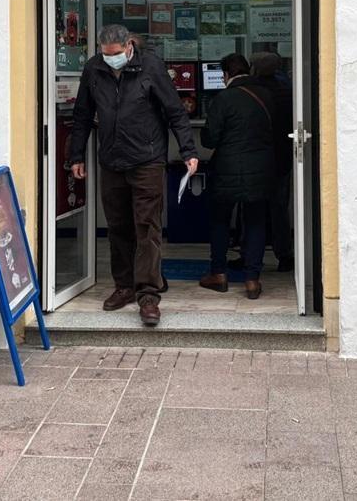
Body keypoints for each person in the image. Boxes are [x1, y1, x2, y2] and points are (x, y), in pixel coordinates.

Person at [69, 24, 198, 327]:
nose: (110, 59)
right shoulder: (94, 69)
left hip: (147, 160)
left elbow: (175, 111)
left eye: (115, 54)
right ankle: (124, 286)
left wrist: (188, 150)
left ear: (128, 46)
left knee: (147, 227)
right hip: (112, 161)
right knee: (118, 228)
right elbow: (82, 115)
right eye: (104, 54)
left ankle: (149, 295)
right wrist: (75, 155)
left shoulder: (150, 66)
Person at [199, 53, 273, 300]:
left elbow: (210, 139)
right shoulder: (267, 95)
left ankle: (218, 274)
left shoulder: (224, 98)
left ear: (225, 75)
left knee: (220, 221)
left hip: (226, 169)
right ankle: (252, 280)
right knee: (255, 221)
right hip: (261, 168)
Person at [250, 52, 295, 272]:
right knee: (279, 208)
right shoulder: (288, 89)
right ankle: (284, 254)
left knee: (252, 207)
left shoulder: (251, 90)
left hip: (258, 154)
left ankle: (250, 256)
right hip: (283, 154)